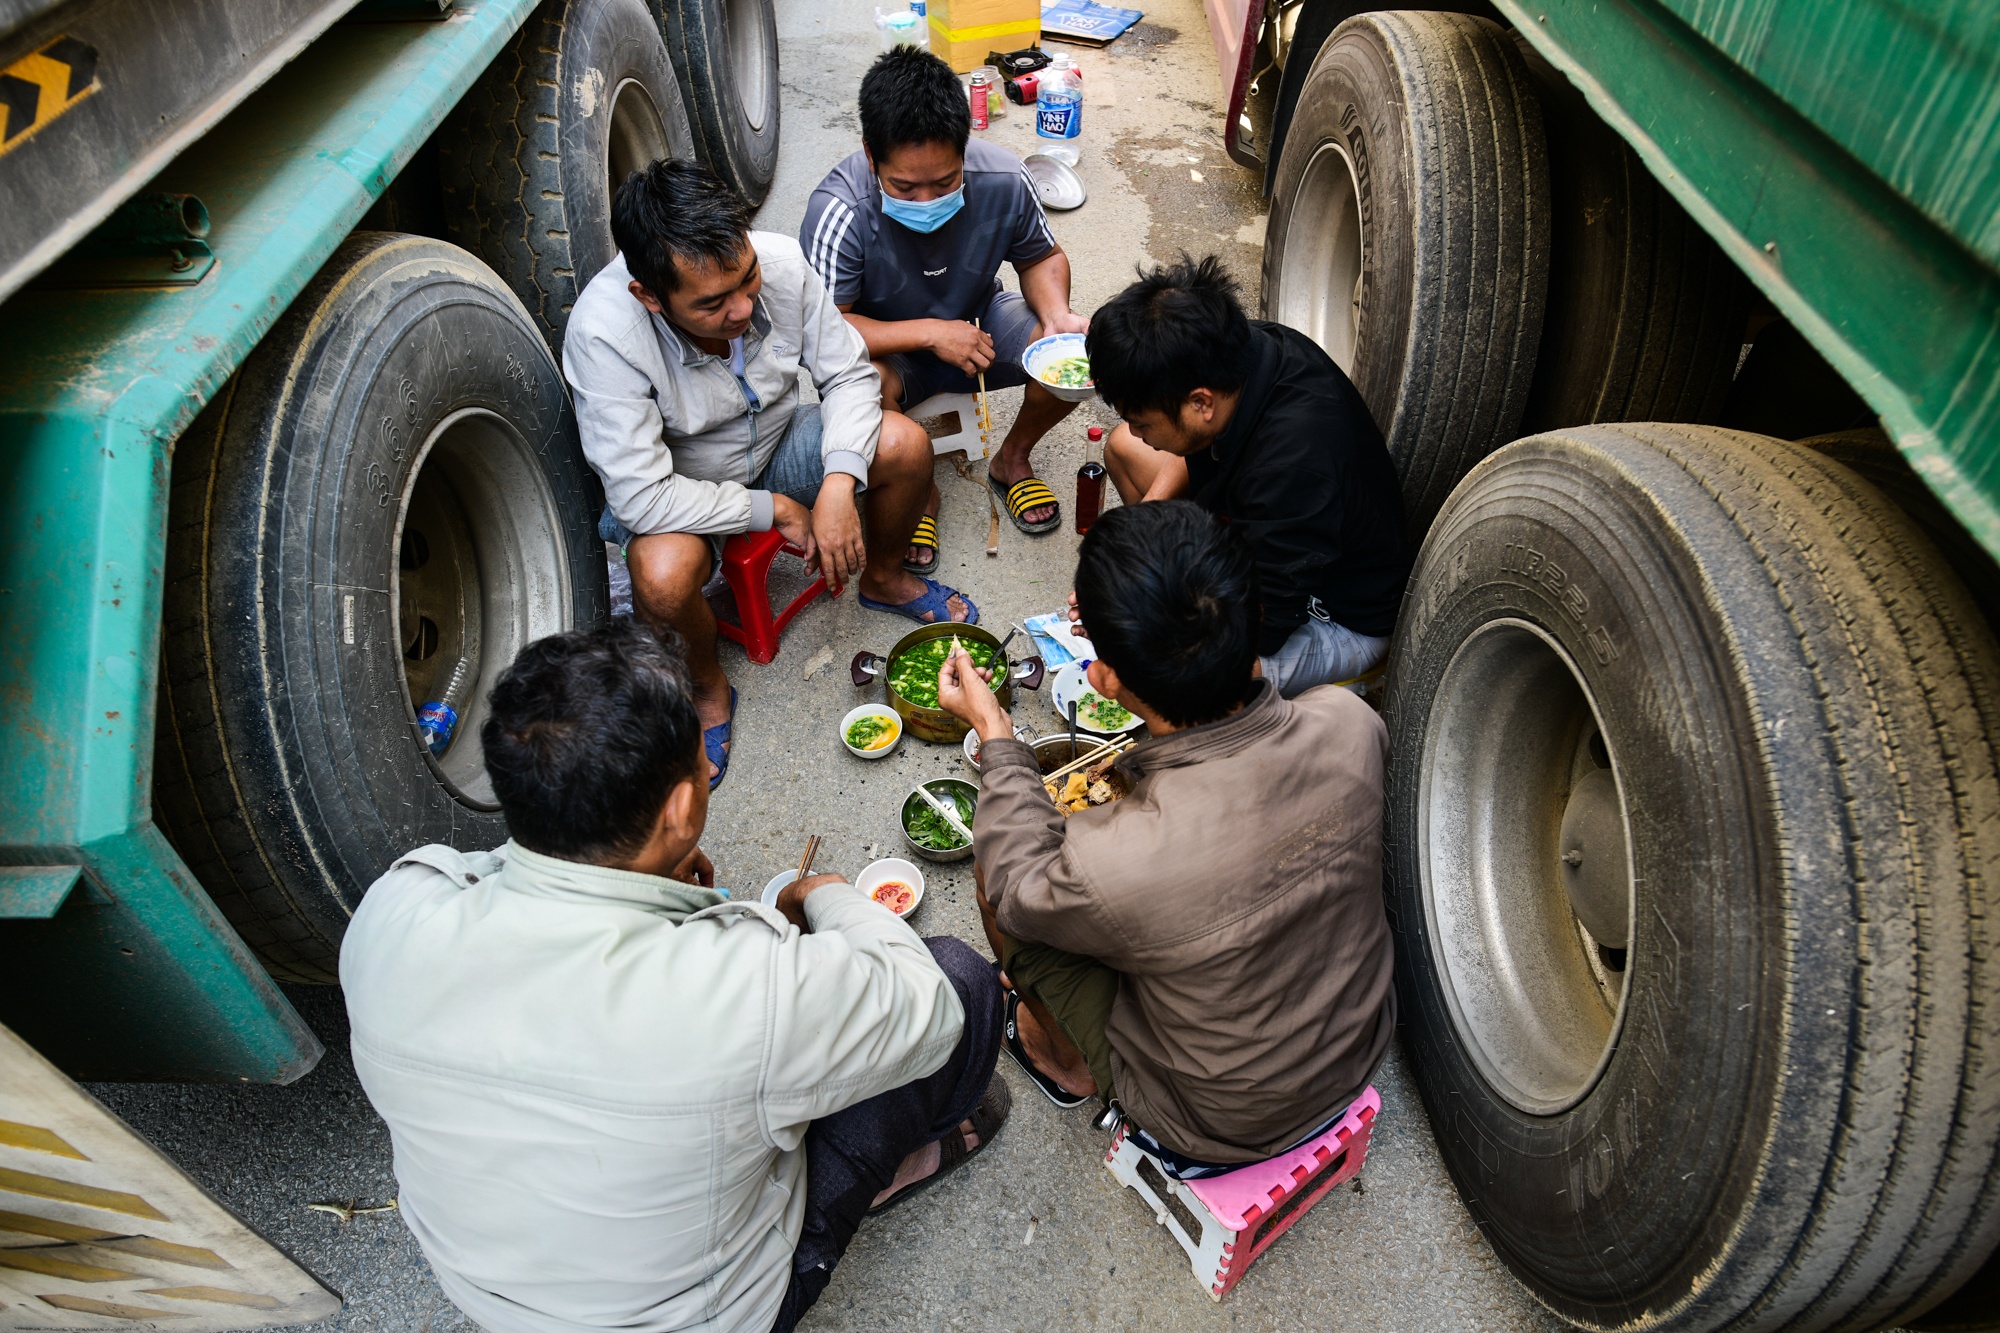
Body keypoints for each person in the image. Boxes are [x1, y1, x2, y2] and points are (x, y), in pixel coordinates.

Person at [342, 618, 1008, 1333]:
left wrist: (656, 878)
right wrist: (824, 892)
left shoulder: (391, 911)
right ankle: (885, 1172)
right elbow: (926, 1008)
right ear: (684, 807)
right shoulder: (744, 987)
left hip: (495, 1301)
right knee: (962, 980)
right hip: (707, 1316)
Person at [934, 501, 1394, 1176]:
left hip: (1216, 1119)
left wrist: (996, 732)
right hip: (1355, 1047)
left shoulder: (1115, 861)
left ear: (1106, 679)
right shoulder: (1350, 721)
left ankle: (1064, 1063)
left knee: (1004, 880)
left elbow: (1019, 886)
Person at [566, 159, 977, 791]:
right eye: (711, 303)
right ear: (649, 296)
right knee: (662, 575)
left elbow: (847, 375)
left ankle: (886, 578)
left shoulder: (781, 265)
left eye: (746, 279)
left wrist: (839, 482)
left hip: (780, 444)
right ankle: (707, 691)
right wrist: (776, 511)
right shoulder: (604, 336)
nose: (741, 308)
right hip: (683, 486)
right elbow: (642, 496)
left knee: (904, 445)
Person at [800, 45, 1089, 562]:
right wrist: (933, 333)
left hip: (982, 324)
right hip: (890, 353)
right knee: (862, 386)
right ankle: (919, 489)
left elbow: (1041, 257)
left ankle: (1013, 459)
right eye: (904, 187)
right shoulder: (838, 212)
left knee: (1071, 355)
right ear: (871, 155)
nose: (926, 201)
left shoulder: (1004, 179)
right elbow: (824, 333)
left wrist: (1057, 317)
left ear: (965, 146)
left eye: (945, 181)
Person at [1087, 254, 1412, 696]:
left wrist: (1148, 617)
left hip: (1338, 618)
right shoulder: (1235, 350)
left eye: (1144, 421)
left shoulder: (1290, 468)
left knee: (1180, 672)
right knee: (1123, 448)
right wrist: (1130, 555)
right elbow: (1174, 449)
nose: (1141, 433)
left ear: (1201, 403)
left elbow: (1267, 623)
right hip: (1265, 536)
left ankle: (1341, 686)